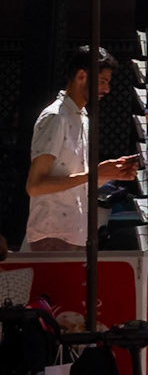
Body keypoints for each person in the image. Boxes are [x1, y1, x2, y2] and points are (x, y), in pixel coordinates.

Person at [26, 45, 137, 250]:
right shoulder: (55, 117)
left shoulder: (82, 118)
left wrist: (109, 174)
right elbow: (35, 186)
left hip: (76, 233)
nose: (106, 90)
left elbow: (76, 181)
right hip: (52, 234)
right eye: (102, 82)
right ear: (81, 76)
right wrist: (93, 174)